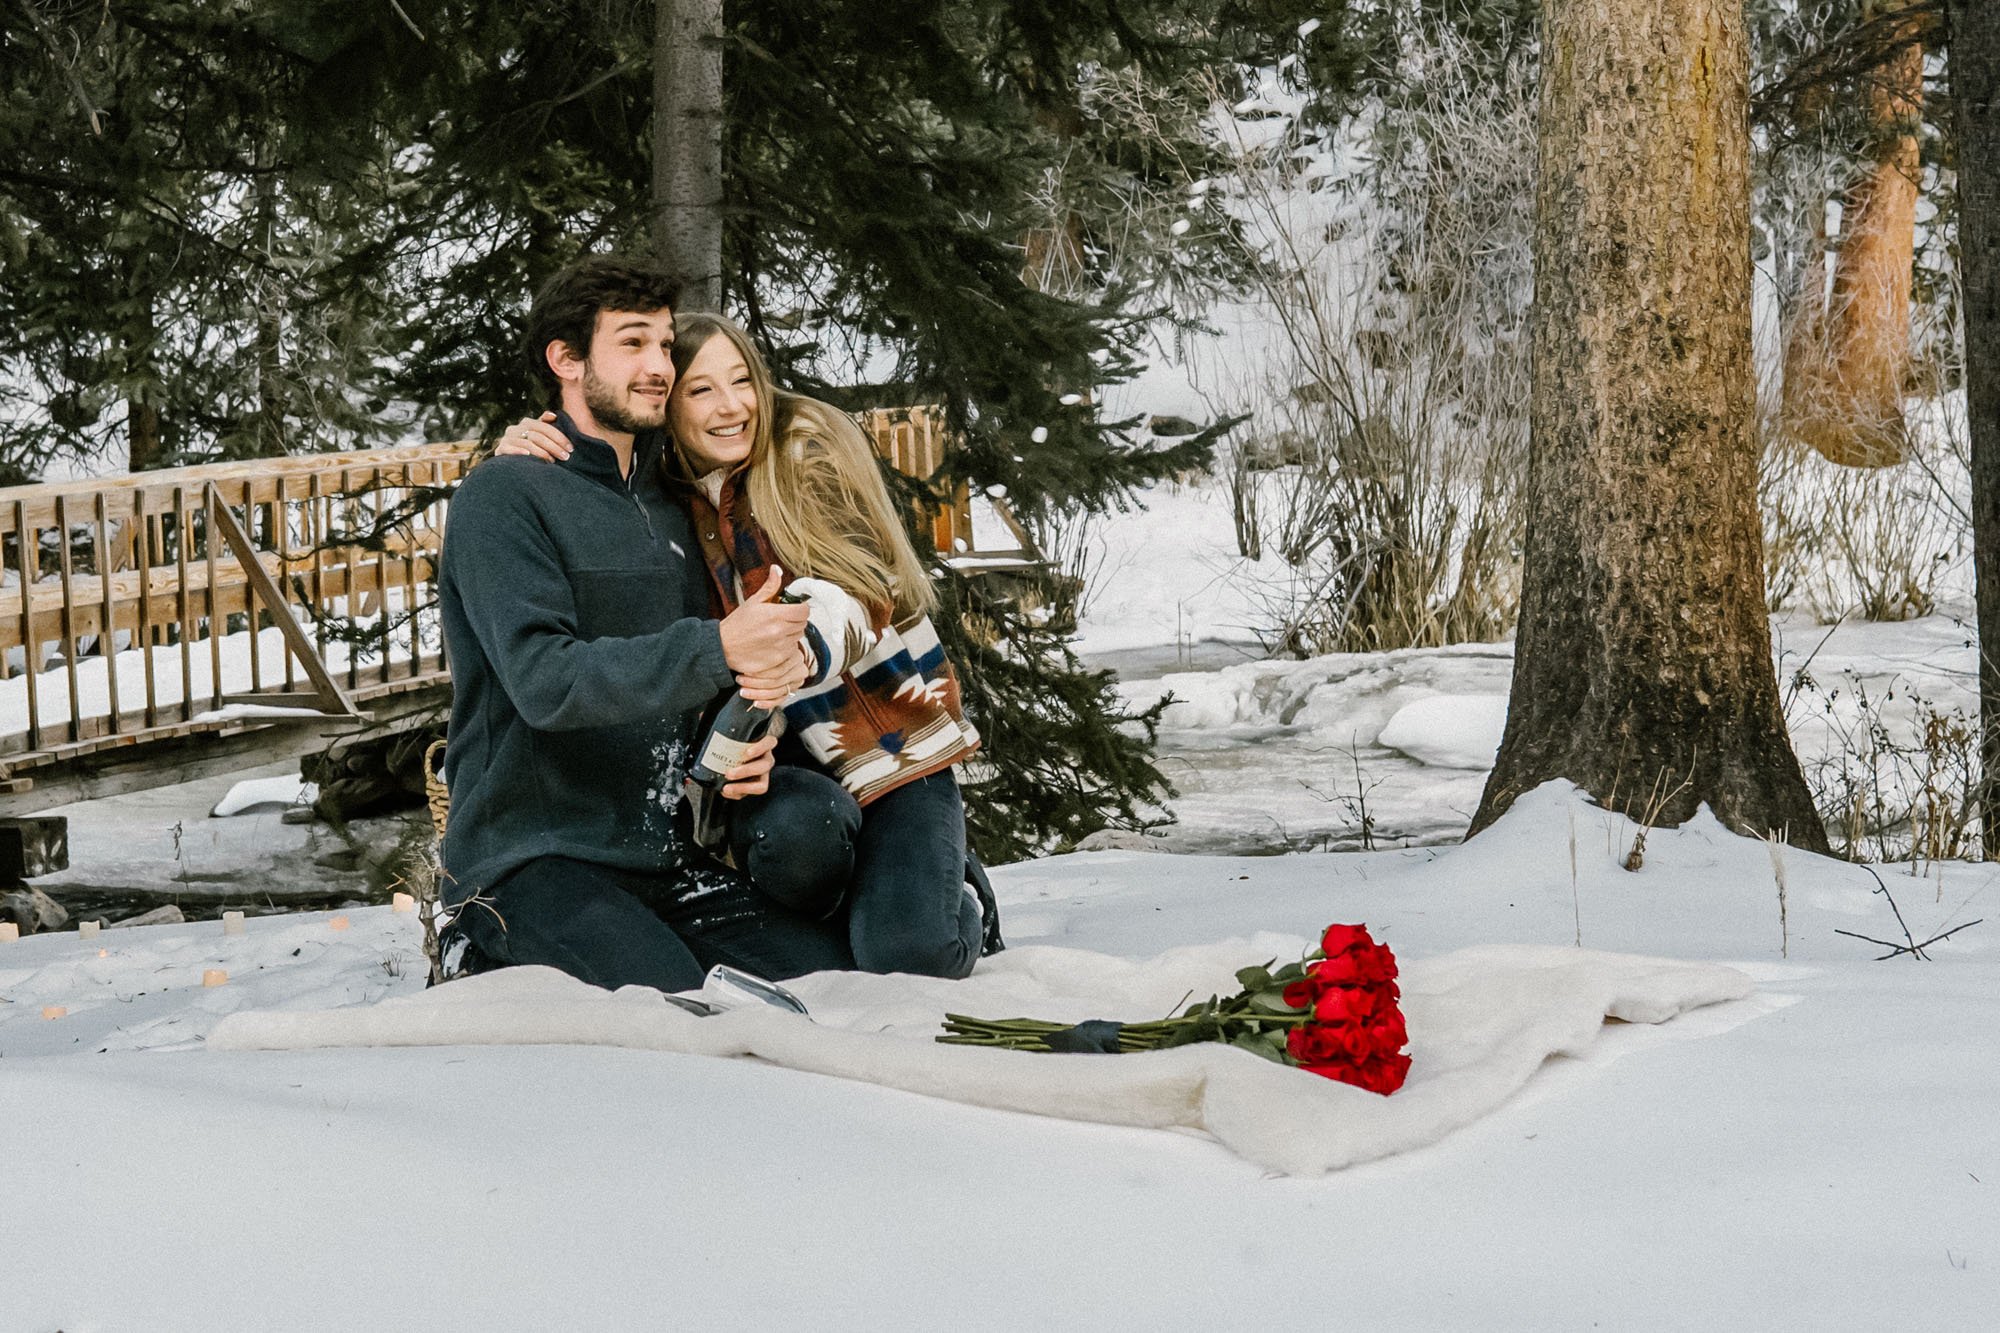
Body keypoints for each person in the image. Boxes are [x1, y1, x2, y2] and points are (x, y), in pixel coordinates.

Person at [496, 312, 997, 979]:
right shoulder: (659, 494)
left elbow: (857, 589)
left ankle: (946, 895)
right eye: (701, 391)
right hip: (784, 760)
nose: (732, 406)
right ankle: (877, 895)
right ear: (667, 409)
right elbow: (668, 640)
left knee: (910, 958)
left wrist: (794, 649)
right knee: (796, 838)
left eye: (742, 381)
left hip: (887, 747)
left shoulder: (807, 448)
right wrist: (526, 450)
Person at [436, 255, 853, 995]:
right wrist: (718, 647)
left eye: (664, 345)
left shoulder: (672, 498)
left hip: (665, 857)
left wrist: (744, 742)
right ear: (564, 360)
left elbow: (701, 675)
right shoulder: (505, 496)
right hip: (530, 858)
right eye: (633, 343)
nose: (659, 364)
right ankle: (474, 951)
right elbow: (544, 680)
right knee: (670, 1007)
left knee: (831, 979)